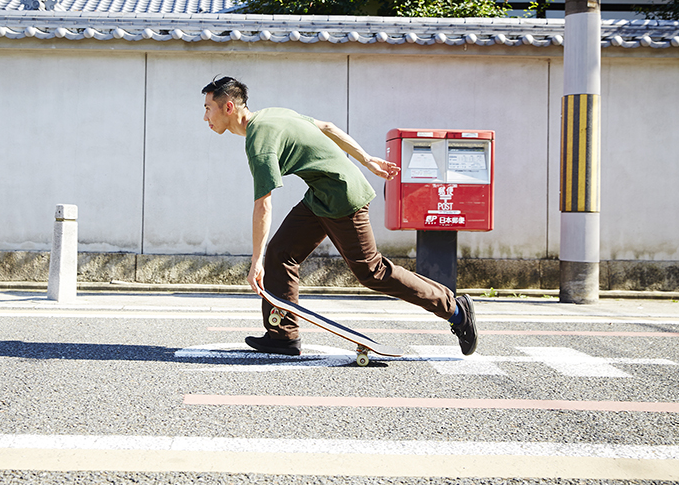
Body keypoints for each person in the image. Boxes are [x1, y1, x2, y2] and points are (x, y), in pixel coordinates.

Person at [201, 76, 478, 357]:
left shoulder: (259, 141)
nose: (205, 117)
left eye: (208, 108)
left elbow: (263, 205)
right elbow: (328, 127)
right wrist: (366, 159)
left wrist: (254, 261)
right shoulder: (274, 114)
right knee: (281, 253)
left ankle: (455, 310)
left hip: (342, 195)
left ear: (229, 107)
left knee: (372, 272)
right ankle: (282, 335)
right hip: (321, 196)